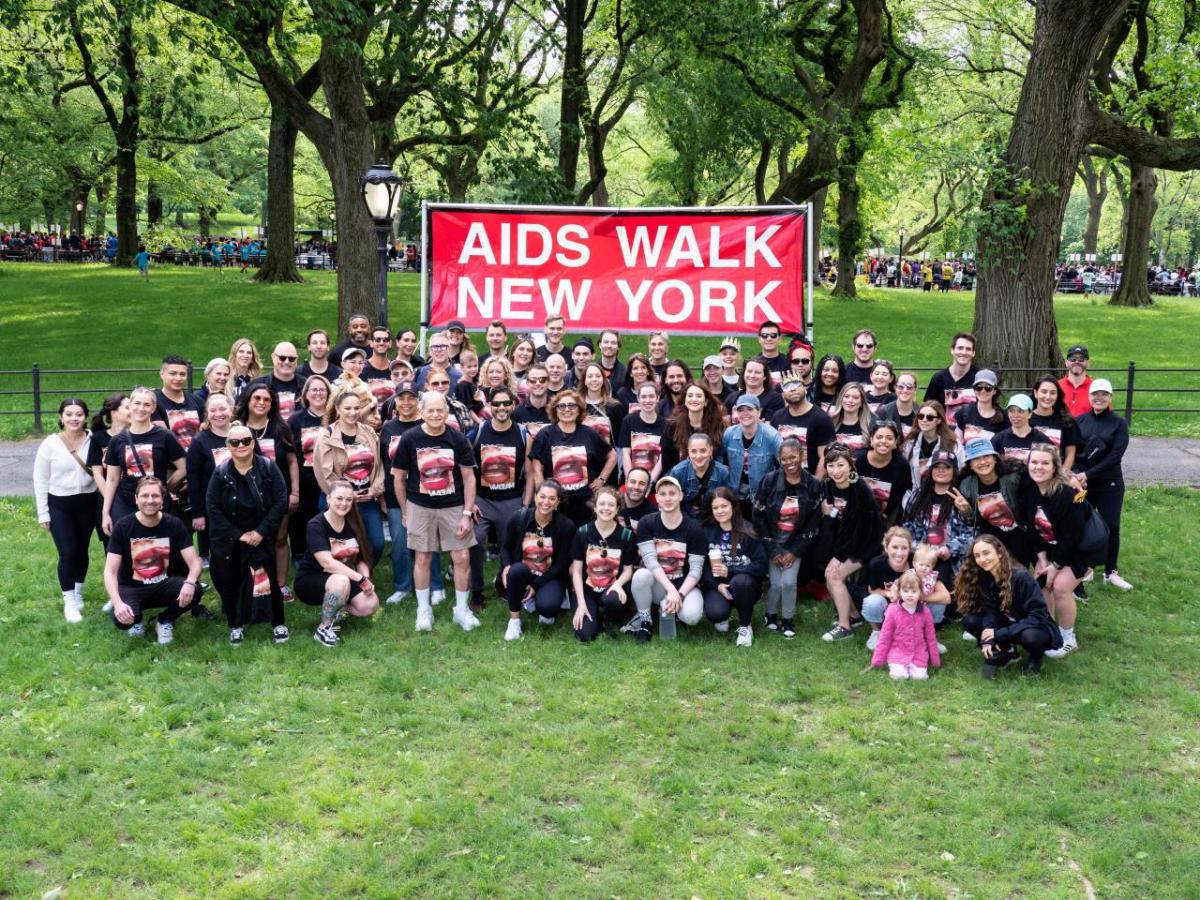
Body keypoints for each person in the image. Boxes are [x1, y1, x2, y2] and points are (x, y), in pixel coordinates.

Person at [393, 390, 480, 632]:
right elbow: (399, 478)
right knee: (422, 557)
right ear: (421, 412)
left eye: (439, 410)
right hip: (420, 506)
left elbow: (469, 479)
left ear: (447, 412)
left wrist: (466, 513)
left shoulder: (458, 439)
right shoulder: (410, 439)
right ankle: (424, 610)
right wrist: (405, 511)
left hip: (453, 506)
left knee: (461, 557)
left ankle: (461, 610)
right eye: (429, 410)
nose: (434, 414)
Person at [205, 422, 289, 644]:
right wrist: (238, 534)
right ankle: (236, 625)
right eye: (235, 442)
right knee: (233, 581)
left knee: (270, 579)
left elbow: (281, 500)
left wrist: (261, 531)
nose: (240, 445)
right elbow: (212, 507)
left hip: (264, 534)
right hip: (234, 538)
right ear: (228, 445)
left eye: (245, 441)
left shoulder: (268, 467)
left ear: (253, 443)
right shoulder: (220, 472)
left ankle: (278, 623)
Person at [104, 477, 204, 645]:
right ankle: (136, 619)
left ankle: (164, 620)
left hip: (163, 585)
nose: (150, 501)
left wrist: (190, 582)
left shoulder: (174, 524)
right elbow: (110, 571)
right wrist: (118, 603)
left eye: (155, 496)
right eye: (144, 496)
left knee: (196, 591)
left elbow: (195, 562)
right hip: (132, 588)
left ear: (163, 499)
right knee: (121, 620)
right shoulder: (123, 527)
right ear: (136, 499)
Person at [1020, 444, 1097, 659]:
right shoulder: (1030, 490)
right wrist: (1042, 559)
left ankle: (1068, 638)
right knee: (1043, 582)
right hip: (1049, 548)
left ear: (1055, 467)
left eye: (1045, 463)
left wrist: (1055, 566)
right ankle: (1049, 630)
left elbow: (1072, 537)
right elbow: (1033, 529)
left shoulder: (1066, 494)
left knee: (1060, 587)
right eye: (1034, 462)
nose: (1039, 467)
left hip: (1077, 550)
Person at [956, 535, 1061, 676]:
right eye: (977, 556)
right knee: (970, 621)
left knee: (1030, 637)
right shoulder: (985, 577)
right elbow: (991, 612)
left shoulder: (1021, 577)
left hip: (1033, 626)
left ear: (999, 552)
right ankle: (1007, 651)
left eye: (986, 553)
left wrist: (998, 633)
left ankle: (1036, 658)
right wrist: (988, 639)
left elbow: (1038, 615)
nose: (982, 559)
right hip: (1007, 623)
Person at [34, 398, 99, 622]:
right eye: (69, 414)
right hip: (59, 504)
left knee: (82, 549)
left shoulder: (94, 440)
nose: (74, 418)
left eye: (79, 414)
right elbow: (40, 480)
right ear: (61, 417)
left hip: (88, 502)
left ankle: (78, 592)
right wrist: (43, 512)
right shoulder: (50, 443)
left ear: (85, 417)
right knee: (68, 551)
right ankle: (69, 601)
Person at [294, 479, 380, 646]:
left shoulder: (354, 523)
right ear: (328, 499)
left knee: (370, 604)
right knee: (341, 580)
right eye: (339, 498)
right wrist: (359, 578)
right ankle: (324, 628)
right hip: (312, 579)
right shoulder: (316, 525)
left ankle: (337, 607)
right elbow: (327, 563)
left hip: (345, 578)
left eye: (348, 499)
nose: (344, 503)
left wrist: (365, 577)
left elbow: (361, 557)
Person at [751, 437, 823, 638]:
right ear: (779, 459)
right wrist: (773, 550)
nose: (789, 462)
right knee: (775, 583)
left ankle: (788, 619)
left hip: (795, 544)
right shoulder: (769, 481)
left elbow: (813, 523)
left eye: (793, 457)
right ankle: (770, 614)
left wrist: (794, 551)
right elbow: (759, 517)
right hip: (772, 541)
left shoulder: (813, 485)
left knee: (789, 582)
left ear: (802, 456)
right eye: (784, 459)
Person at [471, 385, 532, 609]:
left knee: (514, 544)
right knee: (475, 541)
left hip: (512, 499)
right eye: (497, 403)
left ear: (513, 405)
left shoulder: (523, 433)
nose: (502, 407)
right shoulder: (478, 432)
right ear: (490, 406)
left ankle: (506, 582)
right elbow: (467, 468)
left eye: (506, 403)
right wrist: (471, 503)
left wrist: (526, 502)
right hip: (483, 500)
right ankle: (476, 590)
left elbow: (530, 471)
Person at [236, 383, 300, 594]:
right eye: (257, 398)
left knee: (280, 539)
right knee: (251, 541)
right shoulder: (237, 427)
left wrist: (295, 492)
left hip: (278, 495)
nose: (262, 403)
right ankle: (253, 586)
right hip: (246, 497)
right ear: (248, 400)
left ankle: (281, 585)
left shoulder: (280, 428)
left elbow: (292, 461)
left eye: (266, 399)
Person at [627, 476, 707, 642]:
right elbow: (650, 561)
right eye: (663, 494)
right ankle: (645, 621)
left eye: (672, 493)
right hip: (658, 583)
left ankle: (674, 611)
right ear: (657, 498)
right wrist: (670, 590)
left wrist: (680, 594)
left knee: (691, 617)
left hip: (685, 585)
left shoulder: (694, 528)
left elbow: (696, 569)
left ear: (681, 495)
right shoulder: (647, 523)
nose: (668, 498)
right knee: (640, 575)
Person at [817, 443, 883, 642]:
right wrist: (825, 512)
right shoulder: (829, 485)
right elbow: (835, 521)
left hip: (866, 544)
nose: (835, 471)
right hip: (845, 543)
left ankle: (844, 627)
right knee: (830, 576)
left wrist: (839, 557)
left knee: (835, 576)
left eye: (840, 465)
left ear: (851, 466)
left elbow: (860, 530)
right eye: (831, 466)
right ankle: (853, 616)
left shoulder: (859, 489)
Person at [102, 387, 187, 534]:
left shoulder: (165, 436)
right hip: (125, 503)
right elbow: (111, 479)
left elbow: (183, 467)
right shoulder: (117, 441)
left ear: (153, 408)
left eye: (147, 405)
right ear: (130, 406)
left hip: (154, 501)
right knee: (127, 549)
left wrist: (165, 487)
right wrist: (105, 513)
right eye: (137, 403)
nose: (141, 408)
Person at [498, 480, 577, 639]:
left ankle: (540, 597)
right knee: (515, 570)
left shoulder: (565, 525)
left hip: (550, 575)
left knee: (547, 609)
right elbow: (505, 548)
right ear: (535, 497)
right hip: (523, 570)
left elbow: (562, 564)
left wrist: (536, 585)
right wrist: (506, 566)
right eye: (542, 496)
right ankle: (514, 622)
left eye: (551, 498)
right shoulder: (519, 517)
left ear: (557, 502)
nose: (545, 502)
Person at [1074, 378, 1132, 590]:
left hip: (1110, 483)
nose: (1099, 398)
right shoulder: (1080, 421)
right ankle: (1086, 567)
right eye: (1095, 394)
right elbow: (1074, 452)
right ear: (1089, 397)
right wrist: (1079, 474)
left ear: (1110, 398)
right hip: (1083, 485)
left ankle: (1110, 571)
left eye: (1103, 395)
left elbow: (1115, 456)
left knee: (1111, 525)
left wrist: (1088, 474)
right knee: (1083, 523)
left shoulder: (1118, 424)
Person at [313, 390, 385, 563]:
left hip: (366, 499)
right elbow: (324, 473)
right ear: (338, 409)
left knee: (377, 543)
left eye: (356, 408)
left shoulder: (369, 432)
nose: (352, 412)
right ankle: (344, 580)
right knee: (340, 547)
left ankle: (364, 573)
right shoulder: (326, 436)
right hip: (338, 501)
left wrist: (374, 490)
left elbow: (378, 466)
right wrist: (345, 495)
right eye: (347, 408)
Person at [529, 389, 617, 527]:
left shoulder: (589, 433)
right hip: (555, 502)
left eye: (572, 405)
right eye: (562, 406)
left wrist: (601, 479)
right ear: (555, 410)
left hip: (584, 502)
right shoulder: (545, 434)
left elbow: (612, 455)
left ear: (579, 410)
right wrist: (543, 496)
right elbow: (537, 469)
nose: (567, 409)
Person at [570, 486, 638, 641]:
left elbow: (628, 570)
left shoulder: (626, 535)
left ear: (617, 509)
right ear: (595, 507)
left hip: (611, 589)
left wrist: (618, 584)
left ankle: (609, 616)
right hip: (587, 589)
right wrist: (581, 603)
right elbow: (577, 572)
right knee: (585, 635)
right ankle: (594, 615)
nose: (606, 508)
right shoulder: (583, 532)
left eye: (611, 505)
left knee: (612, 600)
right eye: (602, 504)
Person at [702, 486, 768, 645]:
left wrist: (730, 571)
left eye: (724, 506)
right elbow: (702, 567)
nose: (720, 511)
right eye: (715, 507)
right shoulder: (706, 532)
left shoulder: (748, 531)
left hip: (744, 584)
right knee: (716, 613)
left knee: (740, 582)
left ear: (733, 506)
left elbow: (761, 565)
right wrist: (717, 586)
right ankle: (723, 615)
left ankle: (746, 626)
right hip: (718, 585)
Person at [900, 450, 974, 583]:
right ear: (931, 470)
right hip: (918, 556)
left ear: (954, 471)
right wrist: (919, 550)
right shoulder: (918, 495)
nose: (941, 471)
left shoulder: (961, 497)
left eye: (947, 467)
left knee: (939, 582)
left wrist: (950, 548)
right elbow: (906, 528)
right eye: (937, 467)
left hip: (950, 561)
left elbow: (972, 536)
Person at [953, 438, 1028, 564]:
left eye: (986, 456)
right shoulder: (966, 485)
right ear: (970, 465)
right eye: (976, 458)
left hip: (1019, 537)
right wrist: (966, 511)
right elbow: (971, 522)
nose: (982, 462)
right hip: (989, 541)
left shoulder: (1013, 479)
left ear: (995, 459)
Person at [869, 568, 942, 680]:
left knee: (920, 677)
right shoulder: (892, 611)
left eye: (914, 591)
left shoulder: (925, 612)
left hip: (918, 653)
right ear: (899, 592)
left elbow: (931, 637)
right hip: (898, 652)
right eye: (906, 591)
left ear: (920, 592)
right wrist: (877, 660)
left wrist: (935, 661)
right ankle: (899, 667)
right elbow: (885, 637)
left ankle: (915, 668)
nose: (910, 595)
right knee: (899, 676)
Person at [723, 394, 782, 518]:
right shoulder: (729, 434)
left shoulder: (772, 436)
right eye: (741, 410)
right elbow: (719, 461)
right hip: (735, 494)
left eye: (749, 409)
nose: (745, 414)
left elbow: (785, 466)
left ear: (758, 412)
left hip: (762, 496)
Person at [771, 368, 834, 475]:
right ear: (782, 394)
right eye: (787, 387)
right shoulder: (777, 417)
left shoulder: (821, 419)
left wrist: (815, 484)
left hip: (809, 482)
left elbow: (825, 457)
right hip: (782, 481)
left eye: (797, 385)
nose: (793, 389)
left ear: (805, 388)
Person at [854, 421, 912, 525]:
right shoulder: (857, 460)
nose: (884, 441)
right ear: (871, 440)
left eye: (889, 438)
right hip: (855, 513)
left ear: (895, 443)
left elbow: (900, 492)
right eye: (879, 437)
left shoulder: (901, 465)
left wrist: (885, 514)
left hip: (885, 516)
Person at [899, 400, 961, 497]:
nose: (924, 420)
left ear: (939, 420)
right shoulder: (910, 443)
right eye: (920, 416)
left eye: (930, 417)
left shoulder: (953, 444)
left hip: (944, 496)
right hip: (914, 496)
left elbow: (960, 469)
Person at [667, 433, 733, 520]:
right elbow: (670, 501)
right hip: (685, 520)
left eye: (703, 450)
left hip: (713, 519)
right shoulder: (678, 472)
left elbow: (728, 502)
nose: (698, 456)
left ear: (710, 450)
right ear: (688, 452)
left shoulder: (722, 473)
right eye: (693, 451)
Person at [617, 381, 669, 482]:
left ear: (657, 398)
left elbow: (662, 458)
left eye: (651, 396)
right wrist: (631, 481)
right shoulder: (628, 421)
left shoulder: (665, 425)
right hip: (631, 478)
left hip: (655, 480)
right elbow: (625, 454)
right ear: (638, 398)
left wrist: (649, 482)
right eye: (644, 397)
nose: (647, 400)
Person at [152, 354, 205, 451]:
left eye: (182, 374)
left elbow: (205, 433)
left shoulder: (198, 401)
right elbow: (162, 437)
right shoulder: (153, 403)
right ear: (162, 374)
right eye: (173, 373)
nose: (178, 378)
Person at [1030, 376, 1082, 470]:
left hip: (1057, 474)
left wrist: (1061, 476)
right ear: (1035, 393)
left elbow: (1070, 455)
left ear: (1057, 396)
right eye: (1044, 392)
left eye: (1053, 393)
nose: (1048, 396)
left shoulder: (1066, 421)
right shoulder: (1026, 419)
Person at [670, 382, 727, 466]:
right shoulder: (673, 426)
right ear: (685, 401)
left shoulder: (719, 426)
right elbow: (668, 458)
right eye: (690, 396)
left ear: (706, 402)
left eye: (699, 396)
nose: (694, 399)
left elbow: (722, 457)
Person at [924, 332, 978, 418]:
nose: (964, 352)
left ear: (973, 353)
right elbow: (927, 409)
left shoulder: (979, 378)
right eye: (960, 348)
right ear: (952, 350)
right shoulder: (938, 378)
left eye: (968, 349)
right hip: (942, 429)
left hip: (971, 429)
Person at [990, 394, 1050, 467]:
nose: (1015, 415)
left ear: (1030, 414)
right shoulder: (998, 439)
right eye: (1011, 411)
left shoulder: (1042, 440)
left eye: (1020, 411)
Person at [952, 369, 1007, 444]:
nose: (983, 391)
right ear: (974, 389)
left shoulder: (1004, 418)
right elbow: (957, 444)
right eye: (979, 387)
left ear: (995, 391)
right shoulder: (965, 412)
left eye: (988, 388)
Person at [579, 362, 624, 446]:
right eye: (590, 376)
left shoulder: (615, 407)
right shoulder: (577, 406)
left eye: (598, 376)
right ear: (584, 381)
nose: (594, 379)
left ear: (603, 380)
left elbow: (620, 438)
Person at [254, 343, 304, 418]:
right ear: (273, 357)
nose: (287, 362)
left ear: (296, 360)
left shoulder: (307, 386)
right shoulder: (256, 386)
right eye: (282, 358)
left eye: (291, 359)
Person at [873, 371, 919, 438]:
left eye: (909, 387)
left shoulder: (921, 414)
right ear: (895, 388)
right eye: (901, 386)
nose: (905, 390)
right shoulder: (883, 412)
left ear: (915, 390)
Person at [514, 362, 553, 438]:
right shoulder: (517, 412)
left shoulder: (557, 410)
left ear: (548, 382)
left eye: (542, 380)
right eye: (533, 380)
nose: (538, 383)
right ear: (527, 383)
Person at [830, 382, 872, 451]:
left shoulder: (870, 424)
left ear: (861, 402)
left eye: (855, 398)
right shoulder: (830, 422)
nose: (850, 400)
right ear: (841, 399)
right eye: (846, 396)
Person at [1058, 344, 1093, 417]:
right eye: (1073, 359)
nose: (1077, 362)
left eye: (1081, 359)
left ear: (1088, 363)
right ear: (1066, 363)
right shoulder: (1057, 386)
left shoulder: (1095, 387)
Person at [619, 466, 656, 533]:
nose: (636, 487)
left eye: (642, 484)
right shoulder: (611, 503)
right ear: (626, 483)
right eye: (633, 482)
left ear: (648, 487)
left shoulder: (652, 515)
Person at [227, 337, 263, 404]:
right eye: (241, 351)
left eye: (249, 353)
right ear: (235, 355)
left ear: (252, 358)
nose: (245, 355)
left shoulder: (258, 380)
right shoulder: (225, 377)